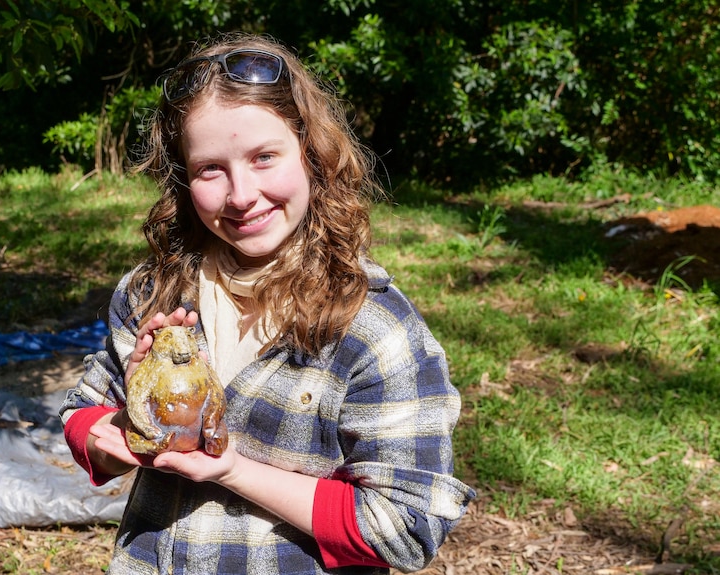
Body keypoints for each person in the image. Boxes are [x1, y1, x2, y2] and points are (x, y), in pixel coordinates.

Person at [59, 32, 475, 575]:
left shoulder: (373, 329)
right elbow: (81, 415)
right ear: (183, 179)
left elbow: (405, 527)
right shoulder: (153, 293)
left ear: (312, 153)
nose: (241, 194)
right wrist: (135, 425)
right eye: (210, 168)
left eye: (264, 157)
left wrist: (230, 469)